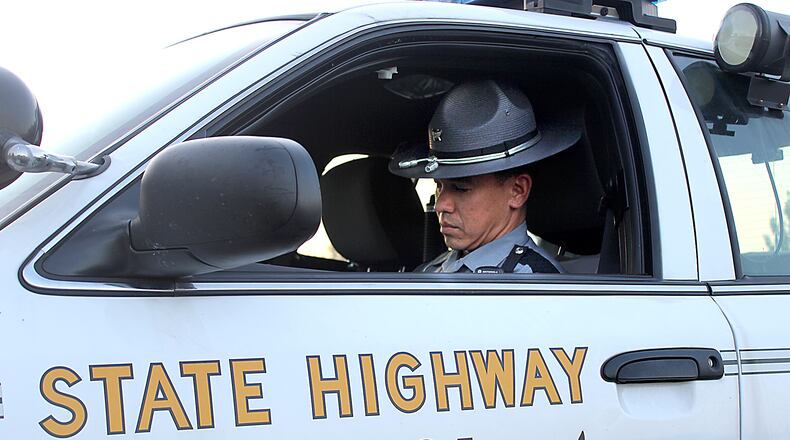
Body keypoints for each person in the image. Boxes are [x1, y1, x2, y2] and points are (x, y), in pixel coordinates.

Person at [389, 79, 581, 273]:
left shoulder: (534, 285)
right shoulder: (430, 270)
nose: (440, 205)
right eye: (439, 186)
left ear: (517, 191)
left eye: (461, 188)